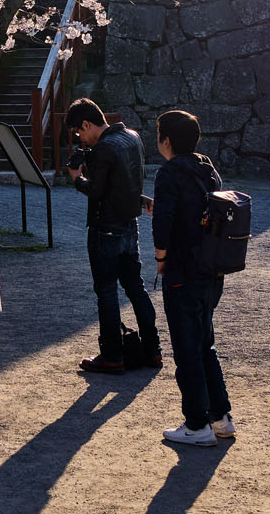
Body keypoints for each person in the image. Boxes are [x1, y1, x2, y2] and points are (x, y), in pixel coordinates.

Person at [147, 109, 234, 446]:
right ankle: (220, 416)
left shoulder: (169, 172)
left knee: (187, 349)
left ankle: (196, 424)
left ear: (165, 140)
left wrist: (160, 259)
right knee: (204, 344)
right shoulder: (206, 168)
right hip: (211, 268)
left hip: (182, 269)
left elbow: (164, 223)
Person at [63, 97, 164, 375]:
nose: (81, 138)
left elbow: (96, 191)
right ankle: (153, 349)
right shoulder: (131, 137)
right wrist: (142, 198)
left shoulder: (105, 147)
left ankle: (112, 355)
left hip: (104, 228)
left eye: (79, 132)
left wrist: (76, 177)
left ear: (86, 123)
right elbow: (125, 182)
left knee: (106, 292)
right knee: (135, 287)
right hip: (130, 226)